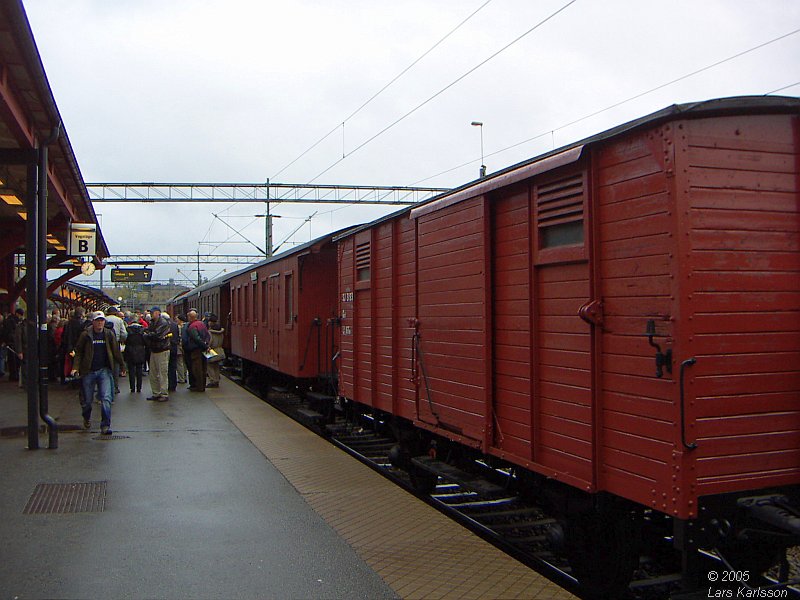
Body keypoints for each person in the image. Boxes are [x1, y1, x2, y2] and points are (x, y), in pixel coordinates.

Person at [71, 311, 125, 435]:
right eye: (98, 320)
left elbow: (115, 351)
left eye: (102, 320)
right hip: (88, 371)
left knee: (106, 398)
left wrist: (122, 365)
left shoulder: (109, 334)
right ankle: (86, 417)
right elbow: (78, 352)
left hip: (104, 370)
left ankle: (105, 425)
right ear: (93, 322)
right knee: (87, 401)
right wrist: (75, 367)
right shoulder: (85, 335)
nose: (100, 323)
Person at [144, 306, 171, 401]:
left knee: (162, 373)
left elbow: (157, 335)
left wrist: (147, 334)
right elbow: (151, 333)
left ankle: (164, 394)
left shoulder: (163, 323)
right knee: (153, 373)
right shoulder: (152, 322)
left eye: (152, 312)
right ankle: (156, 393)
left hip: (162, 350)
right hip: (154, 350)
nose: (151, 314)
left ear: (158, 313)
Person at [183, 309, 209, 392]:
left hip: (196, 350)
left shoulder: (192, 327)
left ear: (190, 317)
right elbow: (208, 335)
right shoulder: (202, 324)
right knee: (203, 368)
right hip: (203, 350)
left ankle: (199, 387)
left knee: (197, 369)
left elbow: (196, 338)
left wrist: (204, 346)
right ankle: (203, 385)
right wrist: (206, 345)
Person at [123, 319, 147, 393]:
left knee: (131, 371)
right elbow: (145, 341)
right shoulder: (142, 330)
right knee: (139, 370)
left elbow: (125, 341)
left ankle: (132, 388)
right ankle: (139, 388)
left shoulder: (128, 330)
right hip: (140, 351)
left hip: (130, 351)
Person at [206, 314, 225, 388]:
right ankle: (217, 380)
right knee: (216, 366)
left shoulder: (210, 332)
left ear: (210, 322)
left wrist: (207, 346)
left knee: (209, 365)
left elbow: (210, 341)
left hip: (212, 350)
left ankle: (213, 381)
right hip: (220, 349)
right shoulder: (220, 331)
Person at [167, 314, 180, 392]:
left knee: (167, 368)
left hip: (167, 348)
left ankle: (169, 385)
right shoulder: (175, 325)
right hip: (174, 347)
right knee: (173, 367)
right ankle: (173, 384)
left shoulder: (165, 326)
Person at [174, 314, 188, 385]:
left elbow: (179, 338)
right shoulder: (187, 326)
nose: (176, 320)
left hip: (179, 347)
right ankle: (185, 377)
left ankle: (181, 378)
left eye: (177, 319)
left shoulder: (179, 327)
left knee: (179, 363)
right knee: (184, 363)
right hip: (186, 346)